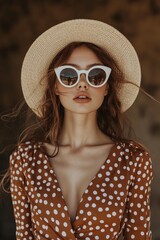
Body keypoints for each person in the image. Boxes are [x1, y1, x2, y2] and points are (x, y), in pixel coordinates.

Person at [6, 19, 154, 239]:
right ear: (55, 85)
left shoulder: (133, 161)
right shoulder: (25, 159)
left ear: (106, 87)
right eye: (69, 75)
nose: (82, 84)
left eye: (95, 75)